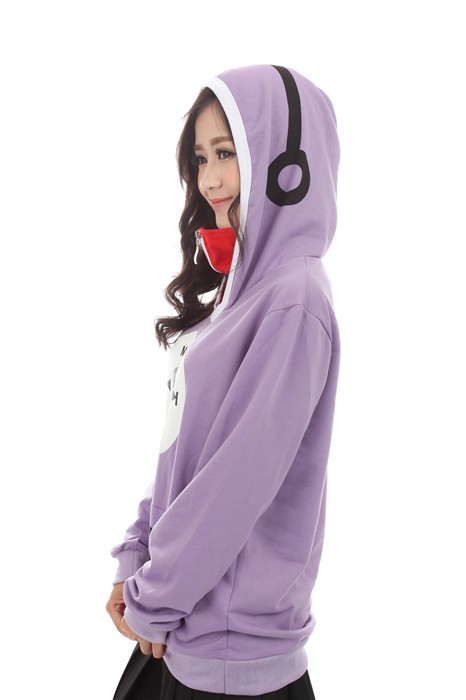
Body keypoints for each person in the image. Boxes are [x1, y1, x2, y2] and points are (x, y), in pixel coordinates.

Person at [106, 63, 341, 699]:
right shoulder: (243, 291)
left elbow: (235, 482)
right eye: (200, 158)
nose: (208, 180)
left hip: (232, 663)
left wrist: (153, 597)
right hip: (184, 632)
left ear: (289, 165)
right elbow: (188, 452)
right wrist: (137, 553)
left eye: (227, 153)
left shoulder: (294, 300)